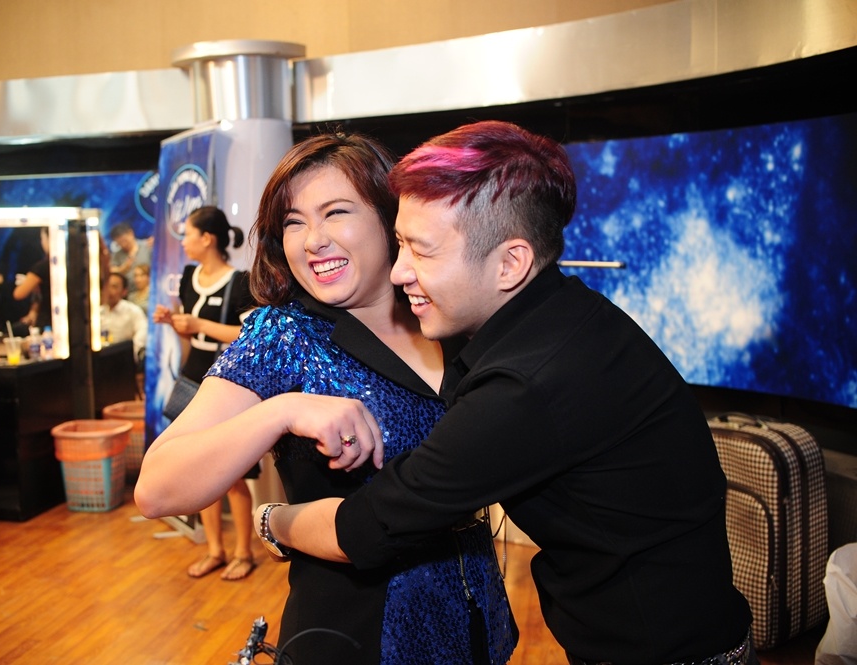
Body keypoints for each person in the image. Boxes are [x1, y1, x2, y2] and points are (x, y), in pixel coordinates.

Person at [257, 121, 758, 665]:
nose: (399, 273)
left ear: (510, 263)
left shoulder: (528, 383)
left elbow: (368, 527)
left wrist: (272, 519)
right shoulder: (565, 313)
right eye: (400, 245)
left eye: (422, 252)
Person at [135, 134, 517, 665]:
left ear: (390, 218)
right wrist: (282, 411)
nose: (312, 241)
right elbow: (156, 489)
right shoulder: (285, 335)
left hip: (472, 622)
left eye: (335, 212)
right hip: (352, 635)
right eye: (294, 222)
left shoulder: (446, 316)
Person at [149, 206, 259, 582]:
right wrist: (175, 323)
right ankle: (215, 550)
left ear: (207, 238)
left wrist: (199, 323)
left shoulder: (240, 282)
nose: (183, 242)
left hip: (229, 382)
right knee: (200, 469)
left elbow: (248, 336)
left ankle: (243, 552)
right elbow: (190, 334)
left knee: (234, 474)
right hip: (194, 375)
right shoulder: (189, 277)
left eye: (188, 234)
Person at [100, 272, 147, 365]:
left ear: (124, 291)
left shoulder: (133, 311)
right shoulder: (98, 312)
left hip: (124, 361)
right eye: (107, 286)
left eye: (114, 287)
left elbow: (141, 337)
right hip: (101, 358)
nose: (109, 291)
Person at [12, 227, 51, 330]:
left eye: (42, 238)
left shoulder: (42, 267)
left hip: (47, 322)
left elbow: (18, 294)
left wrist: (25, 283)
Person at [109, 222, 153, 287]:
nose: (123, 245)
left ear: (130, 233)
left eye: (124, 241)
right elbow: (111, 271)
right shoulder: (117, 256)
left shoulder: (147, 247)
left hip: (148, 289)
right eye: (119, 243)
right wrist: (123, 268)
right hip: (128, 291)